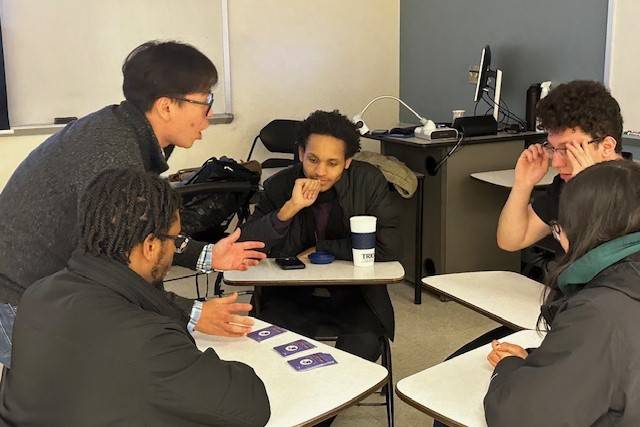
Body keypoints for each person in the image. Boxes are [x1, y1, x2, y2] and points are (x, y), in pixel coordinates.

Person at [0, 40, 266, 368]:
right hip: (21, 296)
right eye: (205, 102)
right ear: (167, 106)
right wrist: (192, 312)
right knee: (65, 396)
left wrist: (207, 255)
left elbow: (143, 229)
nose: (208, 119)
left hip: (48, 289)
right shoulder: (113, 154)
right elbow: (114, 265)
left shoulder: (124, 132)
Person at [0, 168, 271, 426]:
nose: (174, 248)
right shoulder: (147, 340)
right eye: (175, 240)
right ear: (151, 246)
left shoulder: (38, 295)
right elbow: (250, 405)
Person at [484, 160, 640, 426]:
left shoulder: (600, 309)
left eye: (558, 229)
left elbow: (521, 416)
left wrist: (509, 365)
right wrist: (541, 362)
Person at [240, 110, 400, 362]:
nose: (320, 172)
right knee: (275, 350)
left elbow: (388, 247)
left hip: (356, 293)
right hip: (288, 294)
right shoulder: (279, 185)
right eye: (313, 159)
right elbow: (245, 247)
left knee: (363, 348)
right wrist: (289, 209)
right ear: (301, 153)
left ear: (348, 161)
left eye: (332, 163)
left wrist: (320, 249)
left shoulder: (368, 182)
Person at [497, 80, 624, 252]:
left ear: (607, 146)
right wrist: (523, 184)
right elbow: (511, 241)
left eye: (567, 149)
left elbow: (595, 260)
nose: (556, 163)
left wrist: (586, 191)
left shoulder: (631, 193)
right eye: (553, 148)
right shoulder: (564, 186)